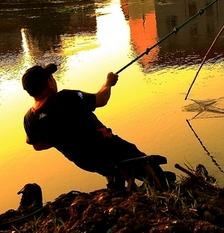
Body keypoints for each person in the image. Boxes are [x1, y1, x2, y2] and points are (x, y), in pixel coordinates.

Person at [22, 63, 172, 190]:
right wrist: (108, 82)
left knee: (118, 167)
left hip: (86, 161)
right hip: (108, 148)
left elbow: (38, 145)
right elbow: (101, 99)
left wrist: (61, 138)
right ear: (49, 82)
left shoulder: (29, 119)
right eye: (51, 77)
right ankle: (163, 188)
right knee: (145, 161)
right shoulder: (65, 97)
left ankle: (125, 189)